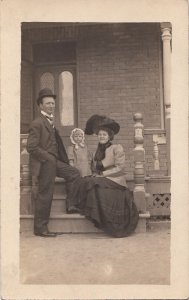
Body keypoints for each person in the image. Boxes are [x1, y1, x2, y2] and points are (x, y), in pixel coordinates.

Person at [27, 88, 82, 238]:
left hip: (54, 161)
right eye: (48, 103)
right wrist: (48, 158)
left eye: (53, 103)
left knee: (74, 173)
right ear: (41, 105)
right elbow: (31, 147)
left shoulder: (50, 121)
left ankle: (71, 205)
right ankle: (41, 228)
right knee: (46, 194)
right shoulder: (37, 123)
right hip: (44, 163)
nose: (51, 105)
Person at [77, 115, 139, 238]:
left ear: (110, 136)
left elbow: (120, 168)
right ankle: (96, 215)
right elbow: (94, 168)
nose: (102, 137)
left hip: (116, 179)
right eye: (100, 135)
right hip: (102, 179)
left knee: (94, 182)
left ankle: (106, 218)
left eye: (104, 135)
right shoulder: (96, 152)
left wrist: (102, 175)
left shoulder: (117, 148)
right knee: (87, 181)